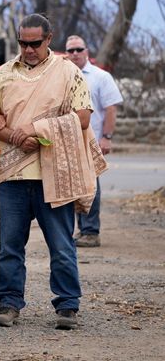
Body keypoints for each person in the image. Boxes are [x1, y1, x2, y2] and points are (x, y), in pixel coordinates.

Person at [0, 14, 107, 330]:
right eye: (23, 42)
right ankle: (9, 304)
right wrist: (16, 137)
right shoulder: (4, 73)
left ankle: (67, 306)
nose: (28, 49)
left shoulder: (68, 72)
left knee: (62, 245)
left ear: (49, 39)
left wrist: (37, 132)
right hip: (13, 174)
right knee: (10, 246)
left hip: (55, 170)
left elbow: (83, 118)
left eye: (34, 43)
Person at [65, 35, 123, 248]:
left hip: (91, 141)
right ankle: (71, 232)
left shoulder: (100, 77)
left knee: (90, 187)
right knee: (68, 187)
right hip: (66, 141)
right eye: (70, 50)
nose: (75, 54)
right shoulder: (62, 76)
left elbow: (110, 109)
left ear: (86, 51)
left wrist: (106, 137)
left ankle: (90, 232)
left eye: (79, 49)